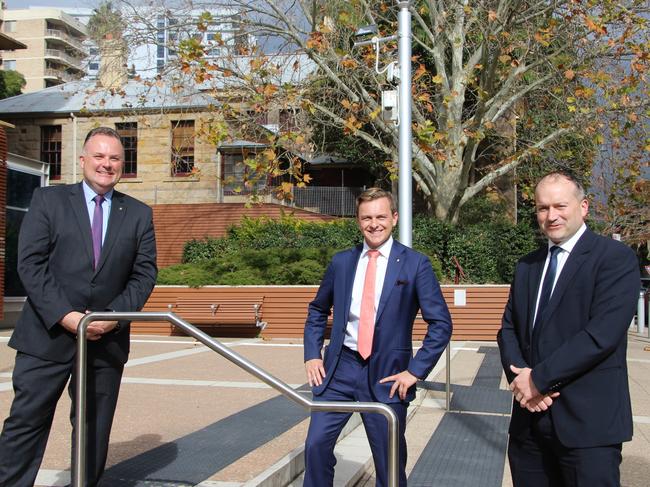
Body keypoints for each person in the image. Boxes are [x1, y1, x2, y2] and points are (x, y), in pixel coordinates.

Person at [0, 127, 158, 487]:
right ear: (83, 160)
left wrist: (111, 319)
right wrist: (66, 315)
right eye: (99, 156)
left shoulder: (138, 213)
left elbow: (144, 274)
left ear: (123, 164)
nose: (106, 164)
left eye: (114, 158)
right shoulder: (48, 201)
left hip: (106, 342)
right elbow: (30, 263)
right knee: (26, 423)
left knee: (93, 430)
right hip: (47, 335)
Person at [497, 171, 640, 487]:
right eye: (542, 208)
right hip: (529, 426)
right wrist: (523, 383)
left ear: (584, 206)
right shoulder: (527, 266)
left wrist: (538, 380)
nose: (551, 216)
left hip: (588, 427)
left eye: (560, 206)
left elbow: (600, 335)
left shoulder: (614, 259)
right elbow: (508, 329)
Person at [303, 187, 452, 487]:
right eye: (366, 217)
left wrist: (415, 371)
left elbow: (440, 324)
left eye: (381, 216)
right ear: (358, 221)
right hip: (340, 369)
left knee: (389, 463)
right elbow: (317, 310)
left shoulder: (415, 264)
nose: (374, 224)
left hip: (389, 374)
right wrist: (312, 354)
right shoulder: (342, 262)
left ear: (394, 218)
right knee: (316, 446)